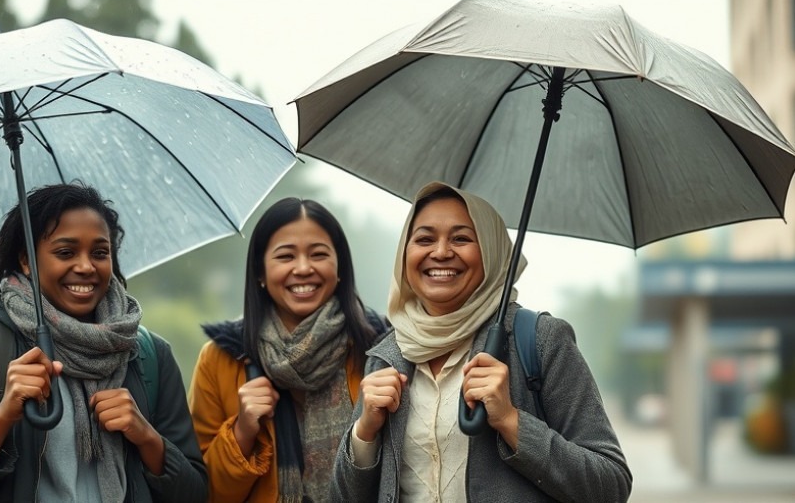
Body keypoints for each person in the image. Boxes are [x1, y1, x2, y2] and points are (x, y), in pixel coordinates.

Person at [0, 183, 208, 502]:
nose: (86, 266)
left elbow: (196, 492)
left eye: (100, 252)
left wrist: (147, 438)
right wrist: (2, 417)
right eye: (65, 252)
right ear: (26, 260)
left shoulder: (146, 353)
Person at [331, 182, 632, 502]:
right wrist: (364, 433)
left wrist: (511, 421)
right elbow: (342, 498)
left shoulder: (541, 342)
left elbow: (610, 485)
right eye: (424, 239)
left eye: (461, 238)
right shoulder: (387, 355)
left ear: (490, 250)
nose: (442, 252)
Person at [188, 197, 388, 503]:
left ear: (340, 268)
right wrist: (242, 432)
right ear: (260, 273)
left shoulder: (379, 349)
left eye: (319, 254)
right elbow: (204, 493)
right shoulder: (221, 358)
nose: (304, 268)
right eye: (285, 256)